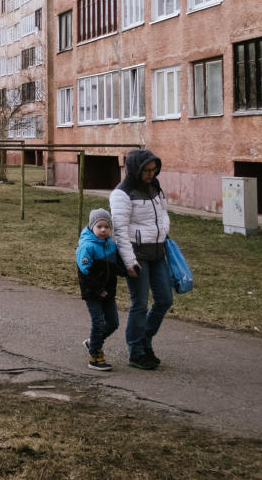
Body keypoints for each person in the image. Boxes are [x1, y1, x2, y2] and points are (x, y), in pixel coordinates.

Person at [110, 149, 172, 370]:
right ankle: (136, 351)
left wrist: (164, 230)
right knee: (140, 303)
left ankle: (144, 339)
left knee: (165, 299)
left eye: (154, 170)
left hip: (158, 252)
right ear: (135, 169)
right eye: (146, 170)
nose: (151, 174)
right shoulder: (122, 194)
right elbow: (120, 231)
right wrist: (129, 262)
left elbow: (163, 212)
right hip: (137, 255)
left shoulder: (155, 186)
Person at [76, 208, 122, 371]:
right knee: (99, 323)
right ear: (91, 227)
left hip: (108, 292)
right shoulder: (87, 247)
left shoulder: (111, 245)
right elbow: (85, 273)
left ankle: (91, 342)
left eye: (106, 227)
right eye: (99, 226)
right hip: (93, 292)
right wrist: (97, 290)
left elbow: (115, 267)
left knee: (113, 323)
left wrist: (130, 270)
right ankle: (95, 356)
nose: (103, 230)